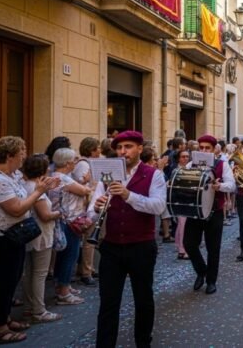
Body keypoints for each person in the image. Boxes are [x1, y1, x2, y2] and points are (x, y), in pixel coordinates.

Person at [88, 131, 167, 348]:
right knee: (108, 303)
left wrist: (127, 195)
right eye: (120, 147)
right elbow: (90, 213)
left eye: (128, 146)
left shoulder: (154, 175)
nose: (123, 151)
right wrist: (95, 208)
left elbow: (158, 206)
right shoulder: (108, 172)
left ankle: (143, 342)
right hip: (111, 246)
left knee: (143, 299)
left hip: (141, 246)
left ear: (140, 149)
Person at [0, 136, 59, 344]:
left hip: (13, 237)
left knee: (12, 280)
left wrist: (45, 187)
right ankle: (0, 328)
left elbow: (23, 196)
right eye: (21, 154)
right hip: (2, 239)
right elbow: (16, 209)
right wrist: (39, 192)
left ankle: (4, 318)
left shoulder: (10, 175)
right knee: (4, 283)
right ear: (9, 156)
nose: (24, 157)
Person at [184, 135, 236, 294]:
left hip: (215, 212)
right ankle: (201, 271)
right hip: (195, 211)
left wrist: (219, 186)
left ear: (214, 150)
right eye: (201, 148)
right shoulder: (190, 164)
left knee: (213, 249)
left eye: (207, 148)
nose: (204, 150)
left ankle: (211, 281)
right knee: (189, 244)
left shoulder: (222, 164)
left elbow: (232, 185)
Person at [20, 154, 63, 323]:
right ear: (43, 170)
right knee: (39, 274)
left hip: (30, 234)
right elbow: (45, 215)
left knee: (29, 272)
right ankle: (39, 310)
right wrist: (59, 213)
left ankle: (29, 307)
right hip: (41, 235)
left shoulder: (26, 184)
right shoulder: (35, 188)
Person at [49, 148, 92, 305]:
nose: (76, 162)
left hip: (62, 220)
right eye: (74, 160)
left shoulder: (55, 176)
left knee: (63, 256)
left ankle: (61, 286)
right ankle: (64, 292)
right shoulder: (64, 179)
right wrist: (87, 182)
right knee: (70, 256)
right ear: (67, 163)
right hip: (70, 221)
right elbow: (84, 191)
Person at [72, 137, 101, 287]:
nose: (100, 151)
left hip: (89, 204)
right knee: (88, 240)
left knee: (87, 240)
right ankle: (86, 272)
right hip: (86, 206)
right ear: (91, 150)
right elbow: (82, 185)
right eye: (97, 148)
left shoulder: (87, 163)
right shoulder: (83, 165)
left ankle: (85, 268)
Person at [172, 150, 191, 260]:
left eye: (187, 157)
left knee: (182, 224)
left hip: (187, 199)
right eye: (183, 157)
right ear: (178, 158)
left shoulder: (189, 169)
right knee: (182, 224)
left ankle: (180, 248)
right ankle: (182, 249)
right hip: (179, 199)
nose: (185, 159)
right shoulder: (176, 170)